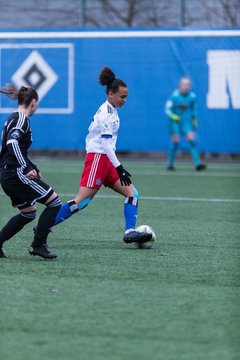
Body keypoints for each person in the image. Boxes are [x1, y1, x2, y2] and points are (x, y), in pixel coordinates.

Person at [54, 67, 152, 245]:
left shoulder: (112, 109)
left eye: (126, 96)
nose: (125, 100)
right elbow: (105, 144)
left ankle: (130, 231)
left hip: (106, 160)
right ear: (111, 94)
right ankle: (45, 226)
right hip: (98, 159)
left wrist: (116, 167)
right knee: (82, 201)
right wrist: (119, 168)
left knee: (132, 193)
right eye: (122, 96)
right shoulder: (107, 114)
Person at [0, 85, 61, 259]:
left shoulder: (13, 118)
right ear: (34, 102)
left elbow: (13, 149)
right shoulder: (21, 119)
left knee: (29, 213)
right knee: (54, 202)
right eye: (37, 103)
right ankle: (38, 245)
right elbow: (12, 144)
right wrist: (26, 168)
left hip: (7, 174)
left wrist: (32, 166)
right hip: (15, 173)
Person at [165, 77, 207, 171]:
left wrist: (195, 120)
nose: (186, 86)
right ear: (180, 85)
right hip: (175, 123)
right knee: (176, 142)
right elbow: (167, 109)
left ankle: (197, 164)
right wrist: (173, 116)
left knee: (192, 140)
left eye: (188, 84)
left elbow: (194, 110)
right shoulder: (174, 96)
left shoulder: (192, 96)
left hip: (186, 122)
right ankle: (170, 164)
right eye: (184, 84)